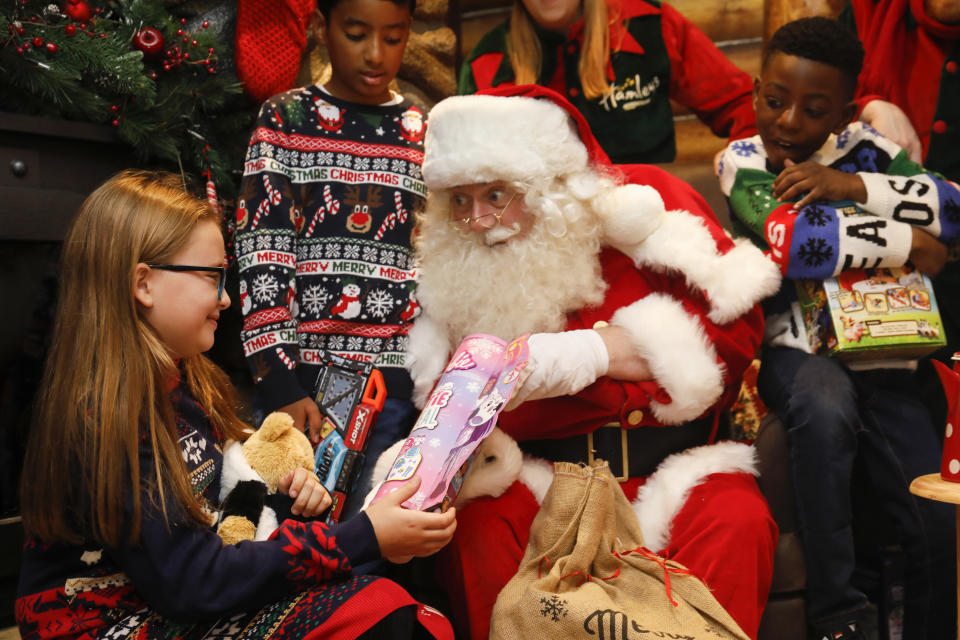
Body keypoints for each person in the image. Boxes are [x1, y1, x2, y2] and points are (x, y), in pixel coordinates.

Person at [407, 84, 784, 640]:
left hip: (670, 469)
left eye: (495, 194)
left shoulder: (648, 209)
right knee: (478, 531)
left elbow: (733, 333)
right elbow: (456, 405)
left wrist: (598, 353)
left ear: (547, 188)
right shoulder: (455, 277)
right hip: (540, 480)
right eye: (458, 200)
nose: (478, 219)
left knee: (738, 519)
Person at [15, 170, 456, 640]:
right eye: (211, 276)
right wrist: (363, 536)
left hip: (175, 594)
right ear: (143, 284)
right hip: (106, 621)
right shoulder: (110, 419)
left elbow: (221, 513)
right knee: (378, 612)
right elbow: (192, 583)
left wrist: (286, 498)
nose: (226, 298)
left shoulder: (186, 384)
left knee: (385, 607)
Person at [717, 17, 958, 640]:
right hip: (799, 353)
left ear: (845, 112)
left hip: (889, 350)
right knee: (825, 405)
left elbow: (956, 208)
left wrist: (850, 185)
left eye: (813, 108)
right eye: (775, 101)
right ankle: (837, 614)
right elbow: (792, 242)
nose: (790, 122)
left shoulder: (867, 152)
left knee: (935, 513)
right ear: (755, 93)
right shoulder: (741, 161)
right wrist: (913, 243)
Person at [234, 0, 427, 518]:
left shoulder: (421, 130)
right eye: (357, 33)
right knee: (288, 530)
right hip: (305, 387)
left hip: (395, 387)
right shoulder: (286, 119)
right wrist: (278, 380)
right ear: (321, 27)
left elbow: (434, 256)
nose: (375, 53)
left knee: (376, 535)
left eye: (393, 37)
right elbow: (262, 253)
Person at [459, 0, 756, 164]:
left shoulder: (651, 24)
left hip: (650, 225)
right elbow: (466, 167)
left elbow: (742, 104)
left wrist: (745, 169)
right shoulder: (487, 62)